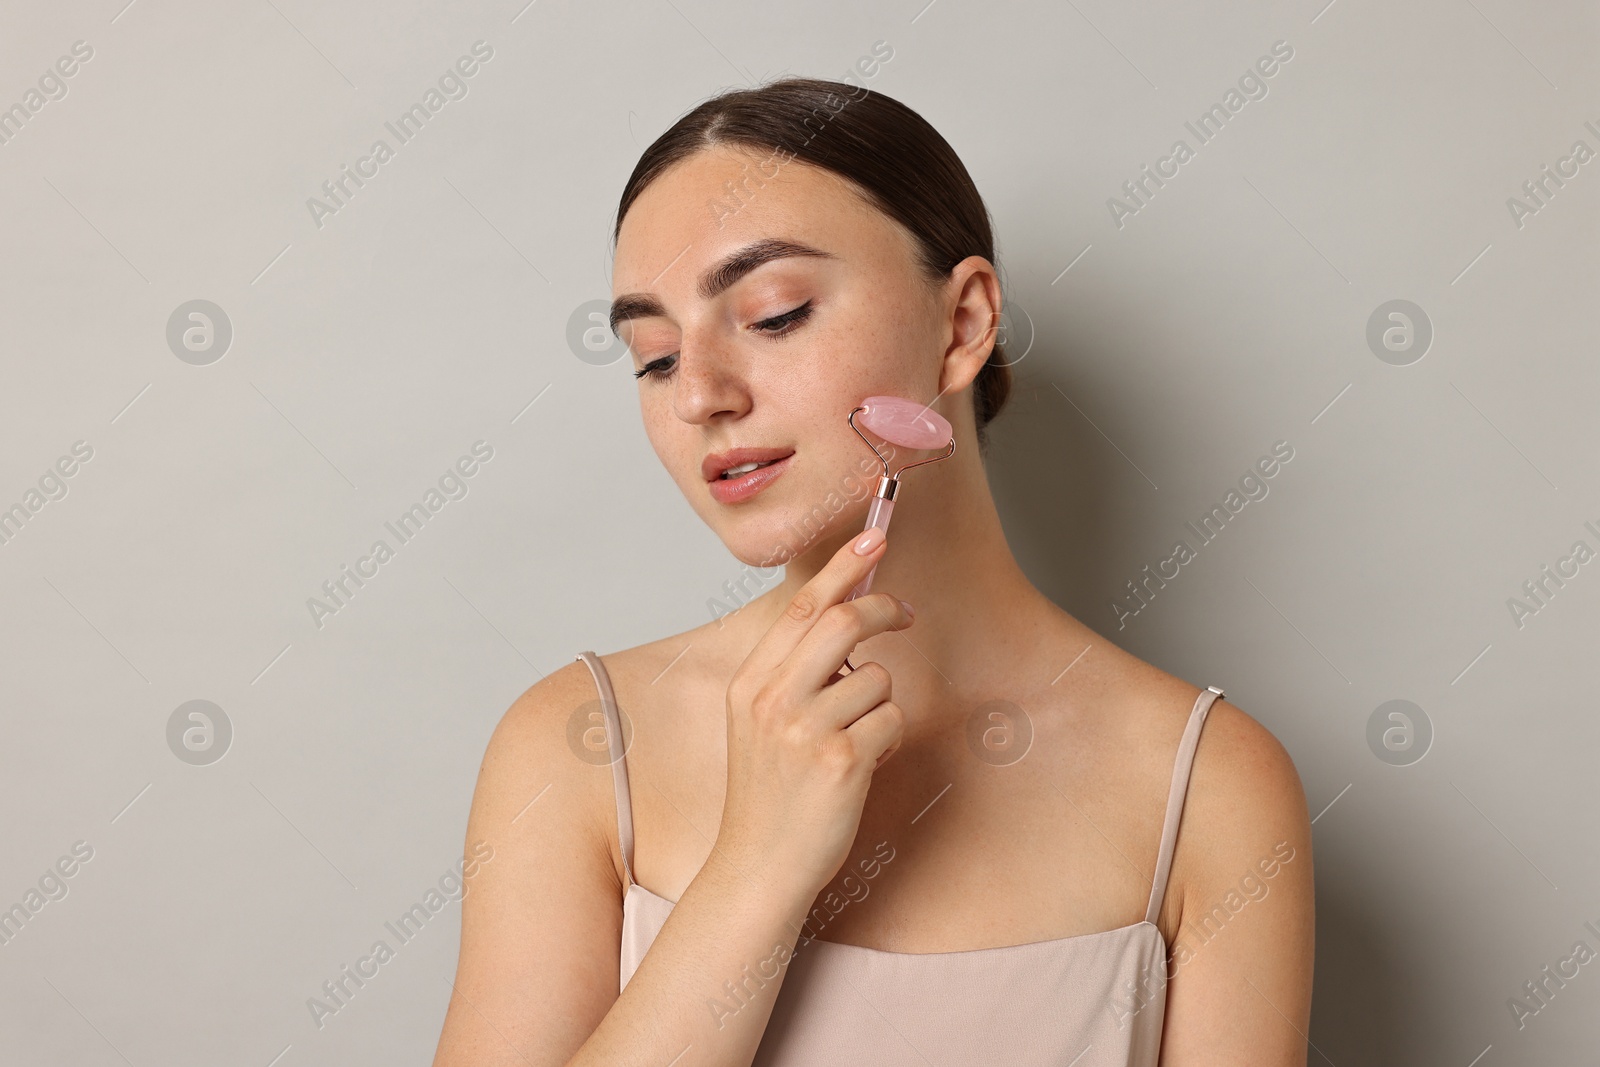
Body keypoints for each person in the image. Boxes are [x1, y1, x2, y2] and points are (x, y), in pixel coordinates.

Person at [433, 77, 1314, 1066]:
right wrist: (756, 867)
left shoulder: (1209, 787)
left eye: (772, 314)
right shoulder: (579, 750)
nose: (700, 397)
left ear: (964, 322)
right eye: (654, 357)